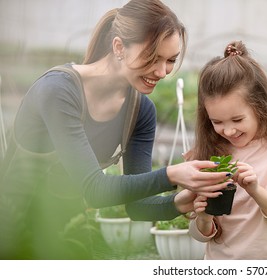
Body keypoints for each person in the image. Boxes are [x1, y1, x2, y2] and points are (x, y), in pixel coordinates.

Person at [0, 0, 229, 260]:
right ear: (119, 47)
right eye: (153, 58)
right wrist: (173, 174)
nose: (162, 71)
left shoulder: (140, 111)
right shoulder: (59, 90)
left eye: (170, 60)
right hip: (14, 236)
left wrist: (179, 202)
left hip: (68, 238)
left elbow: (138, 208)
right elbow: (95, 189)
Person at [187, 41, 267, 259]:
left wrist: (256, 190)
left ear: (260, 107)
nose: (228, 130)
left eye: (237, 119)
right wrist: (204, 218)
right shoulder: (203, 154)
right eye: (217, 121)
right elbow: (200, 235)